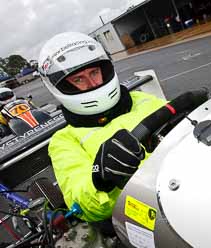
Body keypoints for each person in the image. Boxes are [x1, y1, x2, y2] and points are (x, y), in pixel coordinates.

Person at [38, 32, 167, 222]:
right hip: (145, 212)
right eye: (79, 79)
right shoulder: (64, 140)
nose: (92, 84)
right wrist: (102, 180)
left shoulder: (142, 99)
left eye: (94, 73)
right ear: (60, 87)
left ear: (104, 70)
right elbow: (81, 204)